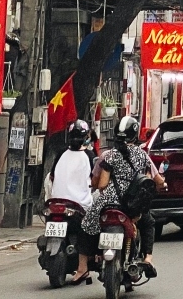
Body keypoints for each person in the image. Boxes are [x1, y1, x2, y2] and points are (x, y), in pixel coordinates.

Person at [73, 116, 165, 285]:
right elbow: (156, 179)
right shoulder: (142, 155)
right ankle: (148, 258)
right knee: (149, 222)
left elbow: (101, 185)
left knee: (86, 225)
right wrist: (162, 184)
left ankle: (82, 267)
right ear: (135, 134)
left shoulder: (110, 156)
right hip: (133, 206)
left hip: (109, 203)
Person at [52, 120, 95, 208]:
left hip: (56, 201)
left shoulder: (61, 153)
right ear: (86, 137)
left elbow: (52, 176)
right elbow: (94, 180)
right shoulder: (89, 155)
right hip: (81, 204)